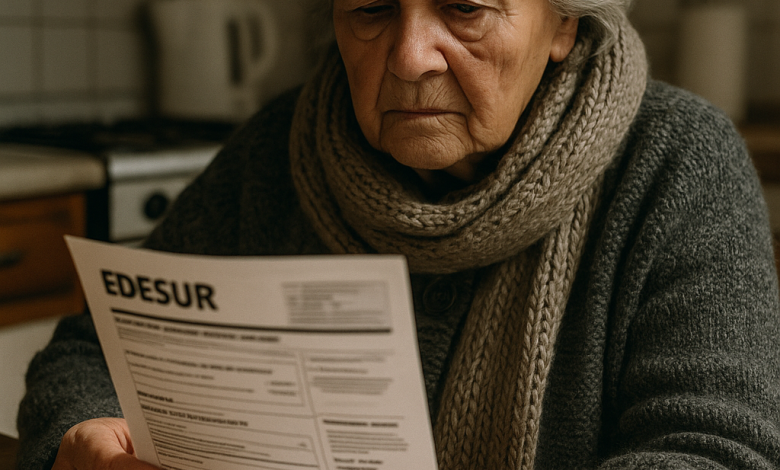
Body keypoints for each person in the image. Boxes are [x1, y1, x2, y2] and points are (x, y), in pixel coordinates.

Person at [16, 0, 780, 468]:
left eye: (465, 6)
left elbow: (717, 452)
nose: (411, 58)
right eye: (374, 8)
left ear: (563, 23)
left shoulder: (678, 162)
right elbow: (91, 351)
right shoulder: (277, 155)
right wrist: (83, 431)